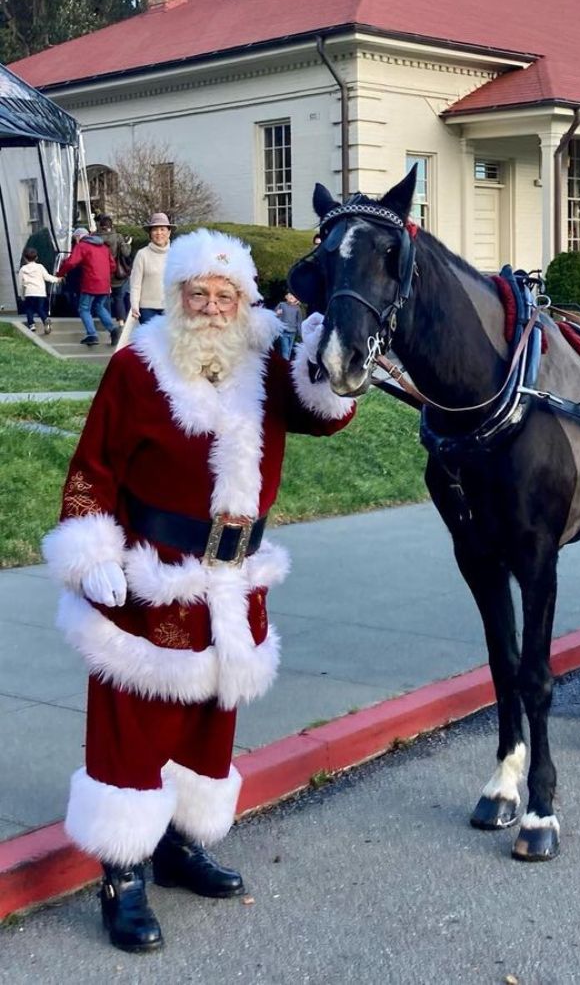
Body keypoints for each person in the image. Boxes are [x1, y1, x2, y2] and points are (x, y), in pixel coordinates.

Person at [42, 229, 357, 953]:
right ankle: (122, 872)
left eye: (227, 297)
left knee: (208, 721)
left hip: (230, 583)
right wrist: (91, 548)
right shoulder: (135, 369)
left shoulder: (265, 368)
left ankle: (179, 846)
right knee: (133, 722)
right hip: (148, 576)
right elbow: (92, 465)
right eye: (200, 295)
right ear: (176, 298)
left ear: (243, 303)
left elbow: (324, 412)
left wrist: (324, 352)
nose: (214, 308)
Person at [59, 224, 120, 346]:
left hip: (91, 283)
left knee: (84, 309)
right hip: (104, 283)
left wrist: (60, 273)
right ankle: (113, 330)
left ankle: (92, 334)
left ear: (79, 237)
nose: (75, 241)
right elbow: (112, 266)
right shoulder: (103, 247)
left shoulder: (82, 246)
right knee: (99, 307)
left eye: (75, 238)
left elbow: (71, 262)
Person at [128, 213, 174, 323]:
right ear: (150, 233)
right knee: (149, 340)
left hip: (170, 308)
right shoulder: (142, 254)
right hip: (147, 309)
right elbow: (135, 283)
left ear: (169, 232)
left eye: (162, 229)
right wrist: (134, 305)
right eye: (155, 230)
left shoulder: (176, 254)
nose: (159, 233)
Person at [96, 214, 133, 324]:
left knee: (104, 298)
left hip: (101, 273)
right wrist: (127, 244)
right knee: (119, 297)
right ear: (111, 225)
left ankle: (108, 322)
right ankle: (121, 322)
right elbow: (126, 253)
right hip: (117, 273)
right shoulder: (118, 237)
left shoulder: (95, 238)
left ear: (100, 225)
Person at [18, 246, 60, 334]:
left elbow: (20, 284)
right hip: (40, 293)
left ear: (25, 258)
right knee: (40, 308)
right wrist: (57, 279)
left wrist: (21, 295)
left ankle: (31, 325)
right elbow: (47, 277)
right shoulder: (40, 267)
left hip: (29, 293)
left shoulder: (23, 269)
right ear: (36, 257)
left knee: (29, 309)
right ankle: (45, 320)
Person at [274, 291, 303, 360]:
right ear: (286, 297)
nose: (291, 297)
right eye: (290, 295)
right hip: (284, 331)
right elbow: (274, 316)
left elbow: (299, 322)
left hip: (293, 332)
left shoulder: (297, 308)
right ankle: (286, 367)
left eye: (293, 295)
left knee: (289, 351)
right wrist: (277, 313)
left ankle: (285, 365)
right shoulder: (282, 305)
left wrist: (301, 334)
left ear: (297, 299)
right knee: (285, 350)